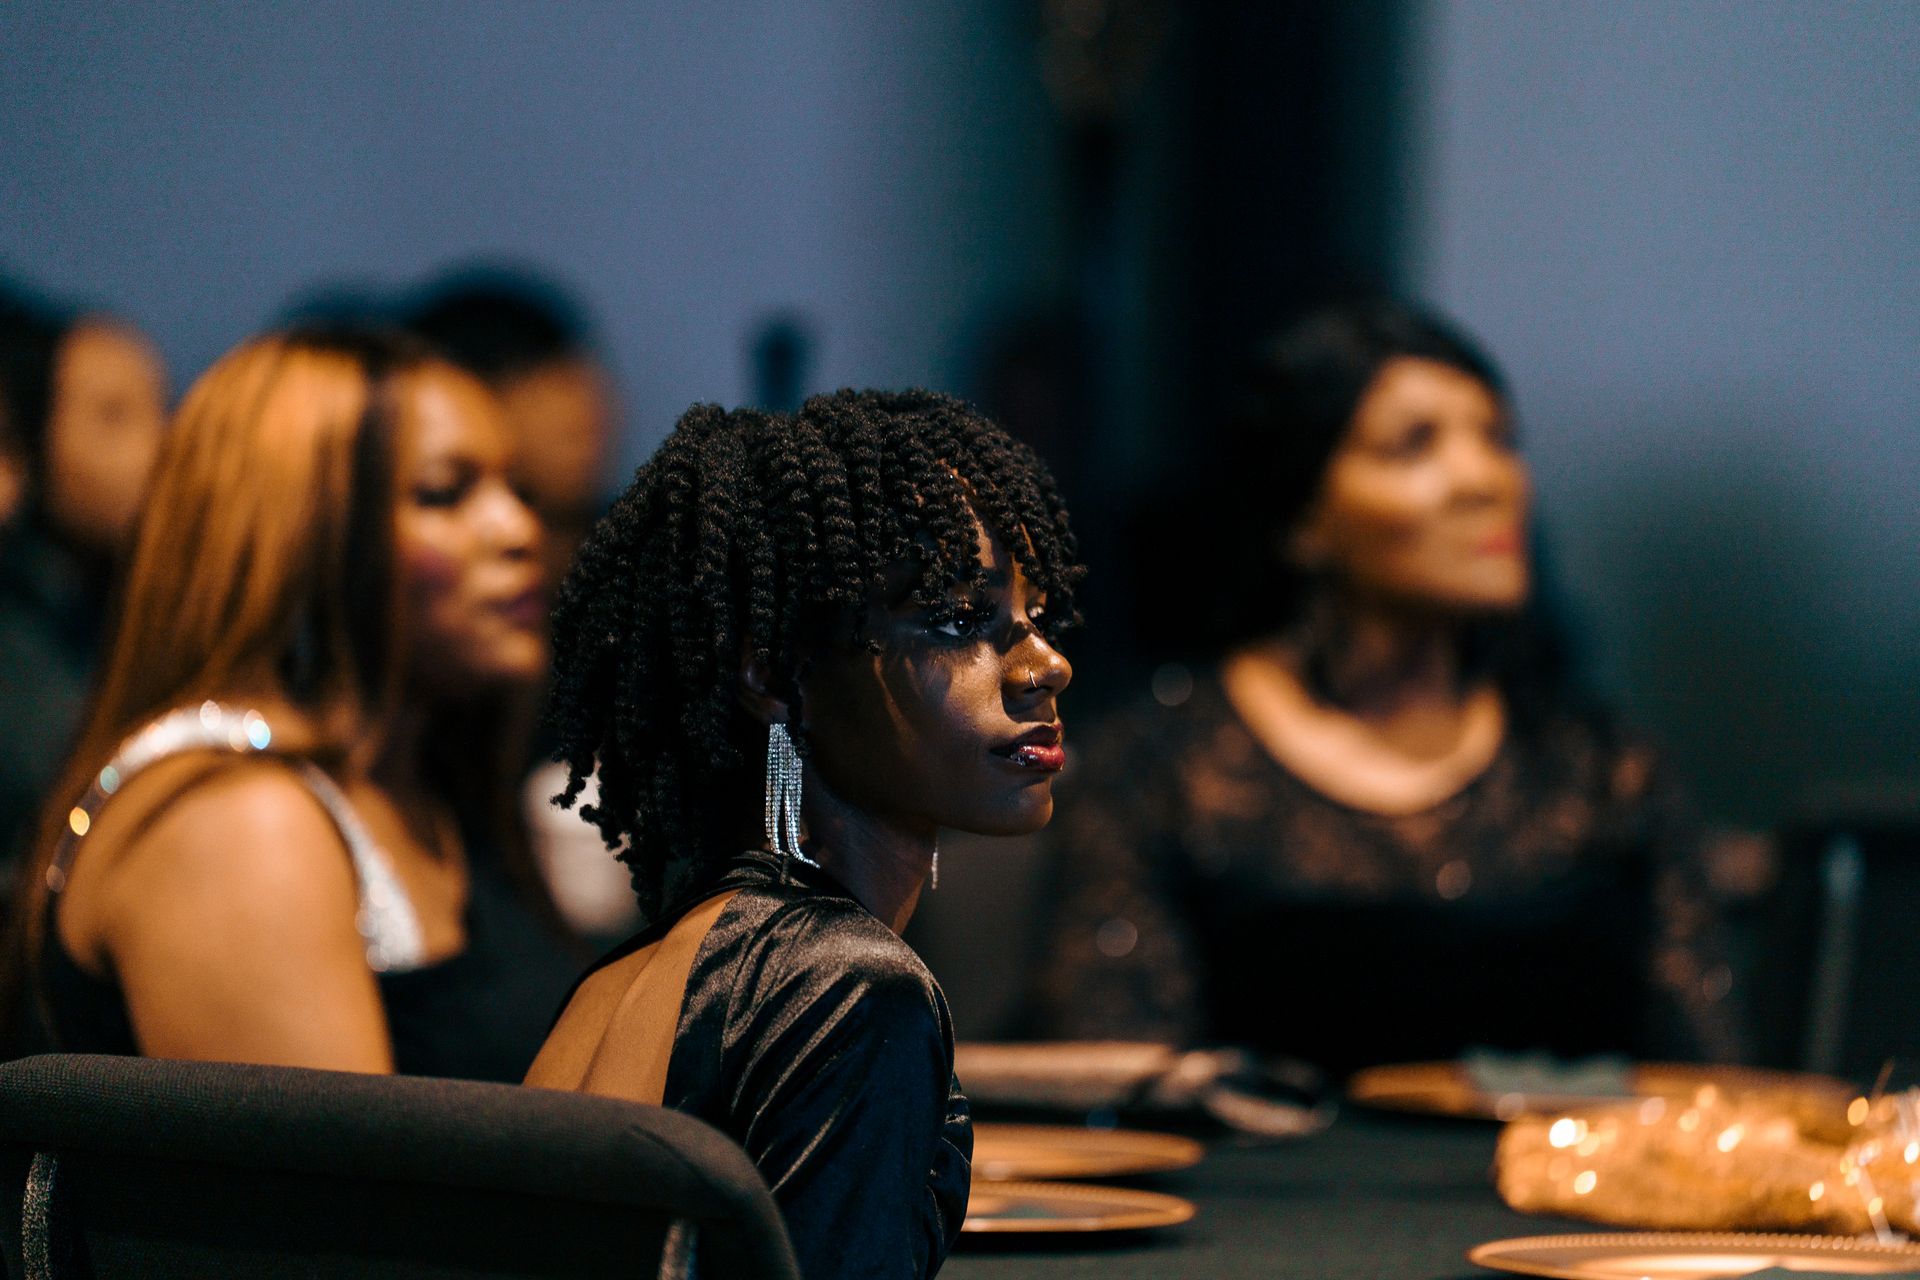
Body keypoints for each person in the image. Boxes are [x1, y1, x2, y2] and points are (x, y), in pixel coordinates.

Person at [1031, 299, 1742, 1079]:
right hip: (1258, 1199)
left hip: (1558, 1196)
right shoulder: (1161, 769)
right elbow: (1115, 1079)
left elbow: (1707, 1086)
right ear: (1303, 519)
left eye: (1499, 440)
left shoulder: (1603, 772)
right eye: (1415, 446)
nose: (1485, 480)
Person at [525, 389, 1083, 1278]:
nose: (1045, 664)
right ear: (774, 674)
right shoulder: (855, 990)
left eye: (1035, 616)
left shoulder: (630, 973)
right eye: (959, 620)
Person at [1, 327, 580, 1080]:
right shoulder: (235, 827)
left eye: (518, 490)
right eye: (446, 492)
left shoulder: (423, 778)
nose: (518, 530)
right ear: (300, 529)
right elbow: (349, 1196)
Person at [0, 283, 168, 871]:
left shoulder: (119, 606)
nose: (162, 444)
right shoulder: (21, 640)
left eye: (162, 405)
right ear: (21, 443)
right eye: (113, 416)